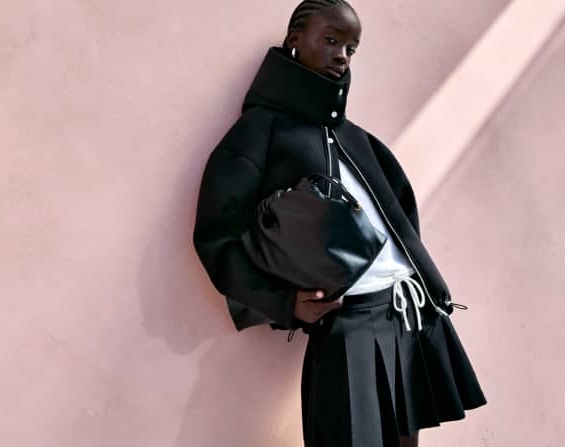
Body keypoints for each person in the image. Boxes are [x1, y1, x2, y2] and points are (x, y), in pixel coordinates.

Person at [191, 1, 488, 446]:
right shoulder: (259, 131)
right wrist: (283, 303)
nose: (342, 56)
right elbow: (217, 234)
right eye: (331, 40)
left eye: (351, 47)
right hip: (348, 324)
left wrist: (426, 283)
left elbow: (401, 219)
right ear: (295, 38)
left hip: (406, 312)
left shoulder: (356, 138)